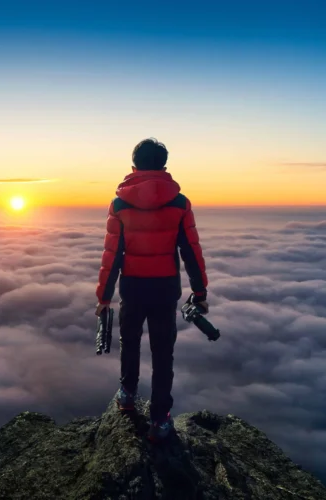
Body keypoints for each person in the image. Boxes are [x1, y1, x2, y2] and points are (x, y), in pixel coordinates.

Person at [95, 138, 209, 442]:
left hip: (132, 287)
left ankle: (127, 394)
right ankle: (160, 420)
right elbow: (191, 251)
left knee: (129, 340)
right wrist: (200, 292)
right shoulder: (180, 203)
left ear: (133, 167)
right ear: (164, 167)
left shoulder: (119, 204)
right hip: (165, 288)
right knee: (163, 352)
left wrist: (104, 297)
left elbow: (112, 255)